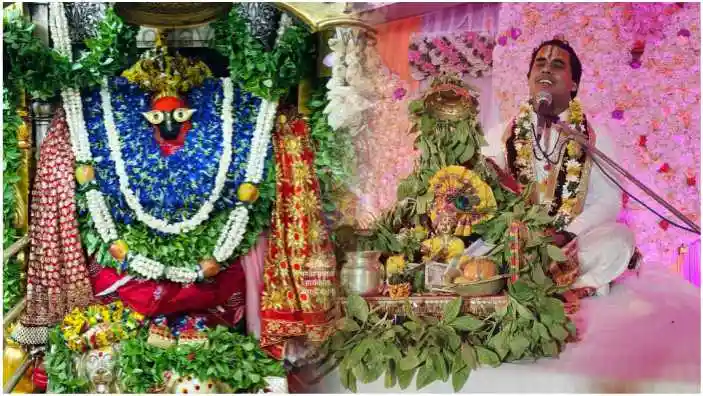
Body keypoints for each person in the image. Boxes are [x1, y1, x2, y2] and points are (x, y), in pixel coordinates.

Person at [483, 37, 637, 296]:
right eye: (540, 64)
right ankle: (558, 283)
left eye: (556, 65)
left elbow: (608, 201)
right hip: (516, 243)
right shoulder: (499, 135)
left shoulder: (596, 136)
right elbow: (483, 190)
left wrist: (565, 235)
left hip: (571, 242)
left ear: (573, 83)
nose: (545, 69)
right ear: (530, 76)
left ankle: (556, 286)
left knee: (619, 240)